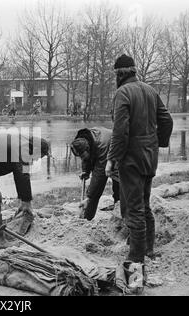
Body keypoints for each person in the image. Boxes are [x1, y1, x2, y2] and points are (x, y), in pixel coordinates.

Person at [106, 55, 173, 268]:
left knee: (134, 207)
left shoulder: (122, 93)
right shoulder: (150, 90)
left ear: (119, 74)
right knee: (144, 202)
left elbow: (120, 132)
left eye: (115, 74)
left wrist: (112, 159)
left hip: (131, 158)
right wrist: (157, 143)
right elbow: (167, 120)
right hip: (149, 156)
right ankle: (148, 248)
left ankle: (136, 257)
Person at [0, 131, 50, 250]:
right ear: (37, 150)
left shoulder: (23, 144)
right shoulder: (23, 148)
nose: (38, 159)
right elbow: (23, 175)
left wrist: (24, 199)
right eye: (40, 156)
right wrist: (26, 202)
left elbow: (19, 174)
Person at [70, 127, 119, 221]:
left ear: (88, 148)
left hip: (117, 150)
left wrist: (89, 197)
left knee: (118, 181)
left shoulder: (102, 145)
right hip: (101, 150)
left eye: (82, 155)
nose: (81, 158)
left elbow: (99, 175)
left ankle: (119, 211)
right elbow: (86, 158)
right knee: (93, 191)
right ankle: (87, 218)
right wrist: (86, 171)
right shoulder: (83, 140)